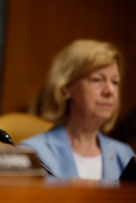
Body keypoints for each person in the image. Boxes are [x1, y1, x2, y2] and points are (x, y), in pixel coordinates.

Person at [19, 39, 134, 180]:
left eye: (115, 82)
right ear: (67, 86)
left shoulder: (124, 154)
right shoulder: (33, 153)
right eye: (97, 80)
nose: (110, 90)